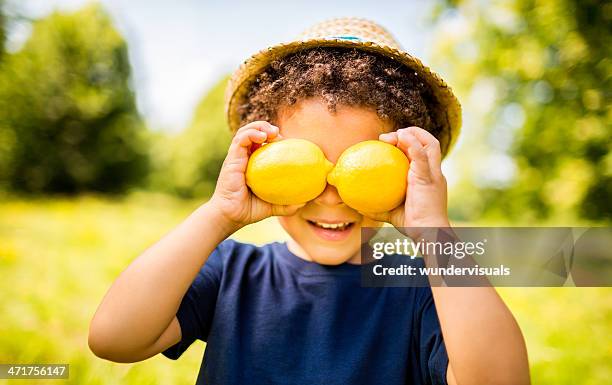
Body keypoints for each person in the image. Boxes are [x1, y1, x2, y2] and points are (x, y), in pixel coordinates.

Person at [88, 17, 530, 385]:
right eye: (306, 166)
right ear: (265, 162)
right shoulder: (230, 274)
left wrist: (434, 230)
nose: (332, 196)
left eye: (363, 166)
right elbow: (114, 338)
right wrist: (217, 215)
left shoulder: (423, 289)